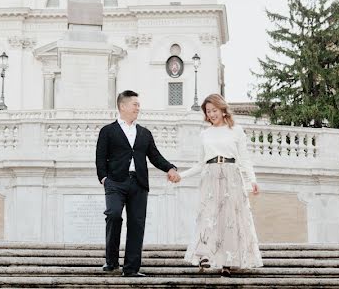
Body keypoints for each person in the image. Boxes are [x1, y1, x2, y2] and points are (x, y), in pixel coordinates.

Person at [95, 90, 180, 277]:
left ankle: (131, 268)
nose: (138, 108)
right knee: (114, 215)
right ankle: (111, 261)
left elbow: (155, 157)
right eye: (135, 104)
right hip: (115, 182)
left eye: (138, 105)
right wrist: (104, 179)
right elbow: (100, 159)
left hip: (139, 183)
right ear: (122, 106)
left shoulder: (144, 133)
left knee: (137, 224)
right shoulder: (107, 131)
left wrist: (170, 168)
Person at [177, 93, 262, 276]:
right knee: (208, 217)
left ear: (223, 110)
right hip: (210, 176)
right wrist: (181, 176)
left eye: (214, 110)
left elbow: (244, 158)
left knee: (230, 220)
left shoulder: (236, 130)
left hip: (231, 176)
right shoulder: (204, 134)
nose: (211, 114)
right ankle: (205, 257)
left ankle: (227, 263)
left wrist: (252, 180)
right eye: (208, 112)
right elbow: (200, 164)